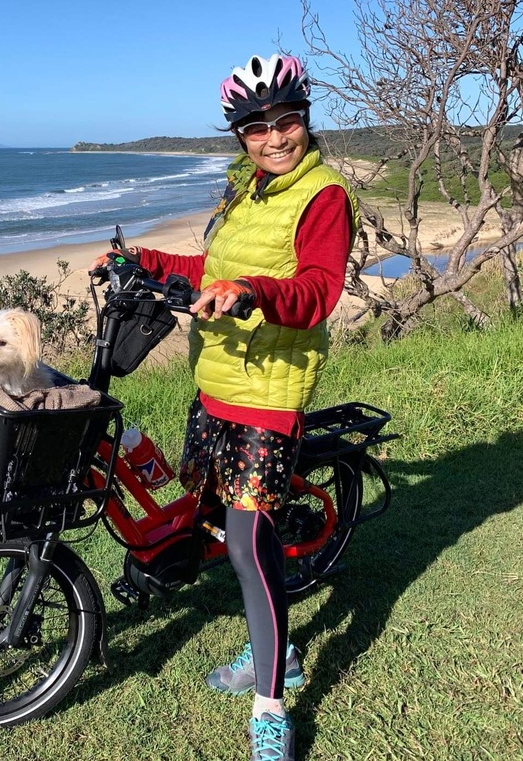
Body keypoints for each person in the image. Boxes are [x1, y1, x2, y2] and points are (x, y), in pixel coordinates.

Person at [92, 54, 359, 761]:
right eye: (256, 128)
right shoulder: (247, 189)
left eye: (286, 121)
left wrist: (252, 291)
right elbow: (207, 272)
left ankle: (271, 706)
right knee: (210, 519)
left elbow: (318, 290)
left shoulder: (323, 195)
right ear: (241, 136)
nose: (274, 138)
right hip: (215, 384)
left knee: (245, 545)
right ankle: (281, 648)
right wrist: (141, 262)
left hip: (270, 394)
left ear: (306, 119)